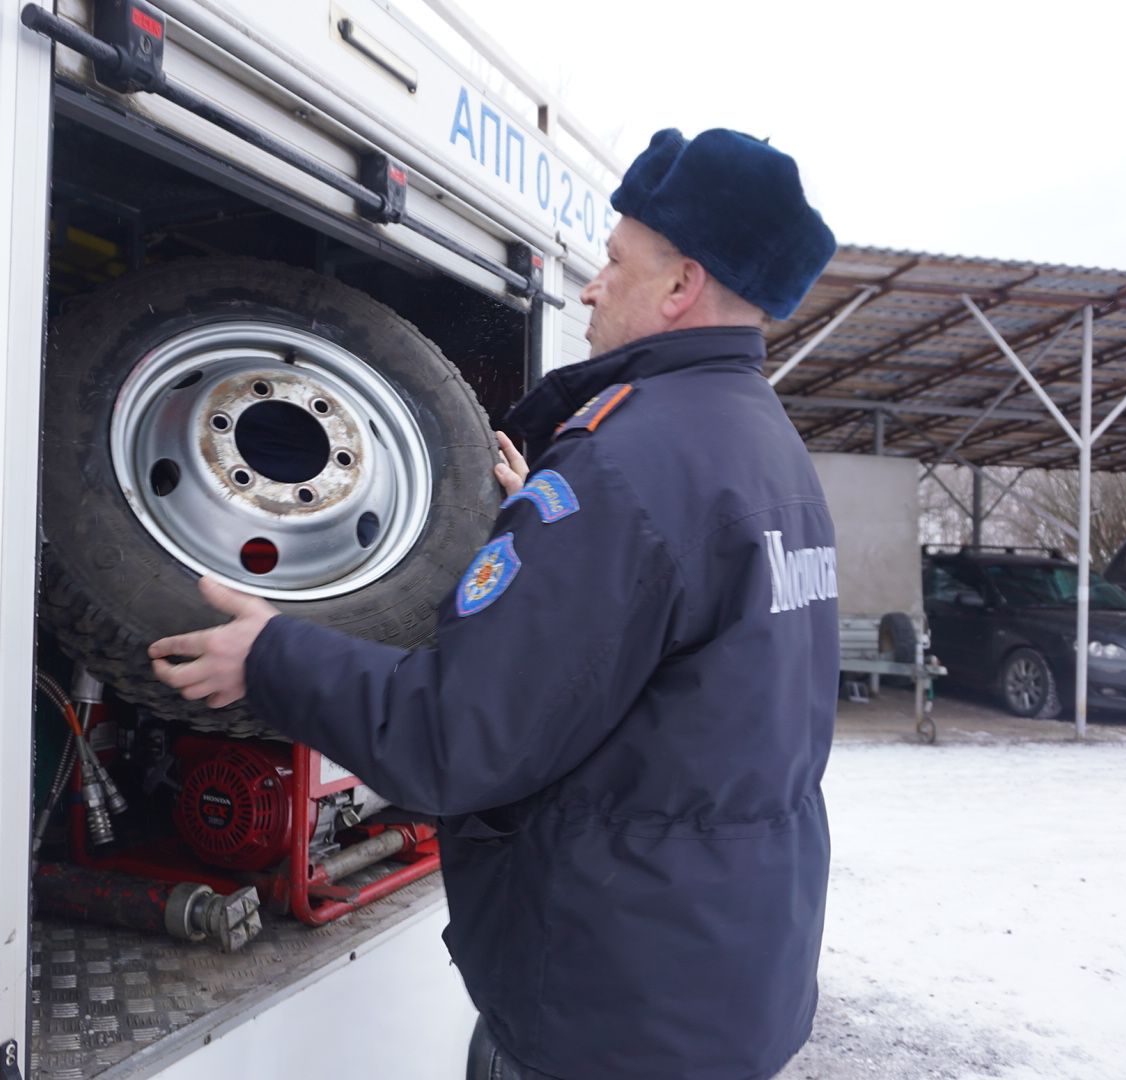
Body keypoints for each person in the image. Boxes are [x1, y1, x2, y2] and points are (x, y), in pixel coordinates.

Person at [150, 128, 841, 1080]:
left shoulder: (626, 463)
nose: (592, 288)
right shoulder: (768, 451)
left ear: (680, 286)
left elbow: (455, 741)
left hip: (610, 1016)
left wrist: (269, 656)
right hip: (718, 976)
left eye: (612, 263)